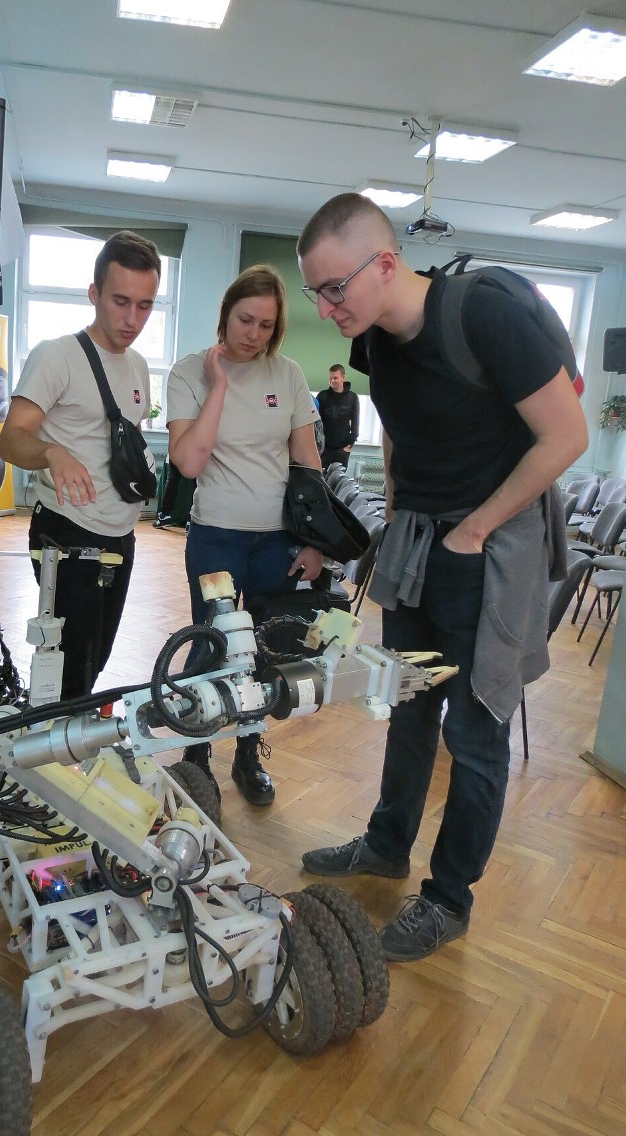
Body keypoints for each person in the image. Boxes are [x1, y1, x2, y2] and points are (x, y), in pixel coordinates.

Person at [297, 193, 587, 961]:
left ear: (386, 263)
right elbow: (398, 424)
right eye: (314, 293)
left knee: (476, 727)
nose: (326, 309)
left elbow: (568, 434)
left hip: (490, 545)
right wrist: (397, 511)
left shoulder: (486, 317)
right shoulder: (373, 339)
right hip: (421, 540)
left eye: (334, 289)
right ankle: (388, 845)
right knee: (409, 705)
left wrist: (478, 525)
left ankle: (448, 898)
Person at [166, 264, 324, 806]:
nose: (252, 333)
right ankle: (196, 754)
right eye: (244, 319)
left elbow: (308, 462)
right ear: (225, 314)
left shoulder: (290, 375)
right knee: (210, 646)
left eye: (265, 325)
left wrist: (316, 541)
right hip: (215, 538)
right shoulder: (190, 372)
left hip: (276, 542)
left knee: (266, 650)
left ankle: (248, 754)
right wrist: (219, 387)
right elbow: (187, 462)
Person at [0, 231, 161, 699]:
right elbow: (12, 439)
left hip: (121, 532)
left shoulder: (138, 366)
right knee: (70, 665)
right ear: (94, 294)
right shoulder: (57, 355)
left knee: (95, 659)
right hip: (67, 531)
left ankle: (65, 746)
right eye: (121, 301)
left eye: (145, 305)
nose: (133, 319)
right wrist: (51, 452)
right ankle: (49, 757)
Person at [317, 363, 359, 469]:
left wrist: (350, 444)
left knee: (338, 481)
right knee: (321, 479)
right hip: (324, 448)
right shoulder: (322, 396)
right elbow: (316, 421)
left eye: (335, 378)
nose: (332, 381)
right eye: (330, 378)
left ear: (343, 377)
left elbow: (355, 421)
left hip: (342, 449)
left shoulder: (352, 397)